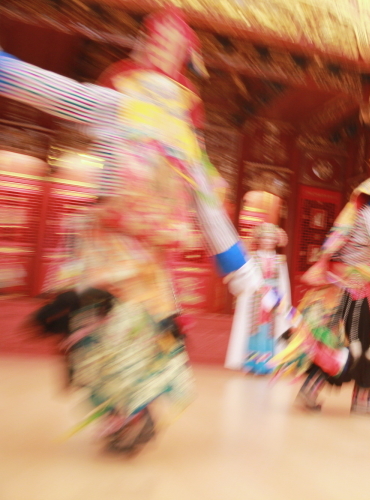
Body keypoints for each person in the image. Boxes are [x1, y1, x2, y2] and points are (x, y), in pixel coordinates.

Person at [0, 9, 260, 453]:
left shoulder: (182, 134)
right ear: (145, 45)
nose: (162, 51)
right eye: (157, 40)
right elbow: (64, 94)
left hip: (149, 255)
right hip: (111, 246)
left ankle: (131, 412)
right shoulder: (119, 102)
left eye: (173, 46)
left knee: (137, 334)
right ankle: (123, 413)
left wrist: (234, 260)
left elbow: (205, 201)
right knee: (111, 331)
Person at [272, 128, 370, 416]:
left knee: (335, 342)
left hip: (347, 290)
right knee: (366, 344)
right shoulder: (369, 216)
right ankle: (362, 400)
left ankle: (311, 391)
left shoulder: (369, 214)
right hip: (353, 292)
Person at [225, 223, 291, 374]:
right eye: (265, 237)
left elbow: (283, 283)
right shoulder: (251, 258)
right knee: (254, 330)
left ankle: (268, 364)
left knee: (270, 330)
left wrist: (282, 302)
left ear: (276, 241)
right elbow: (244, 279)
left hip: (273, 299)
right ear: (259, 239)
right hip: (254, 298)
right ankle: (252, 364)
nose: (268, 241)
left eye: (271, 238)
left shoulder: (280, 260)